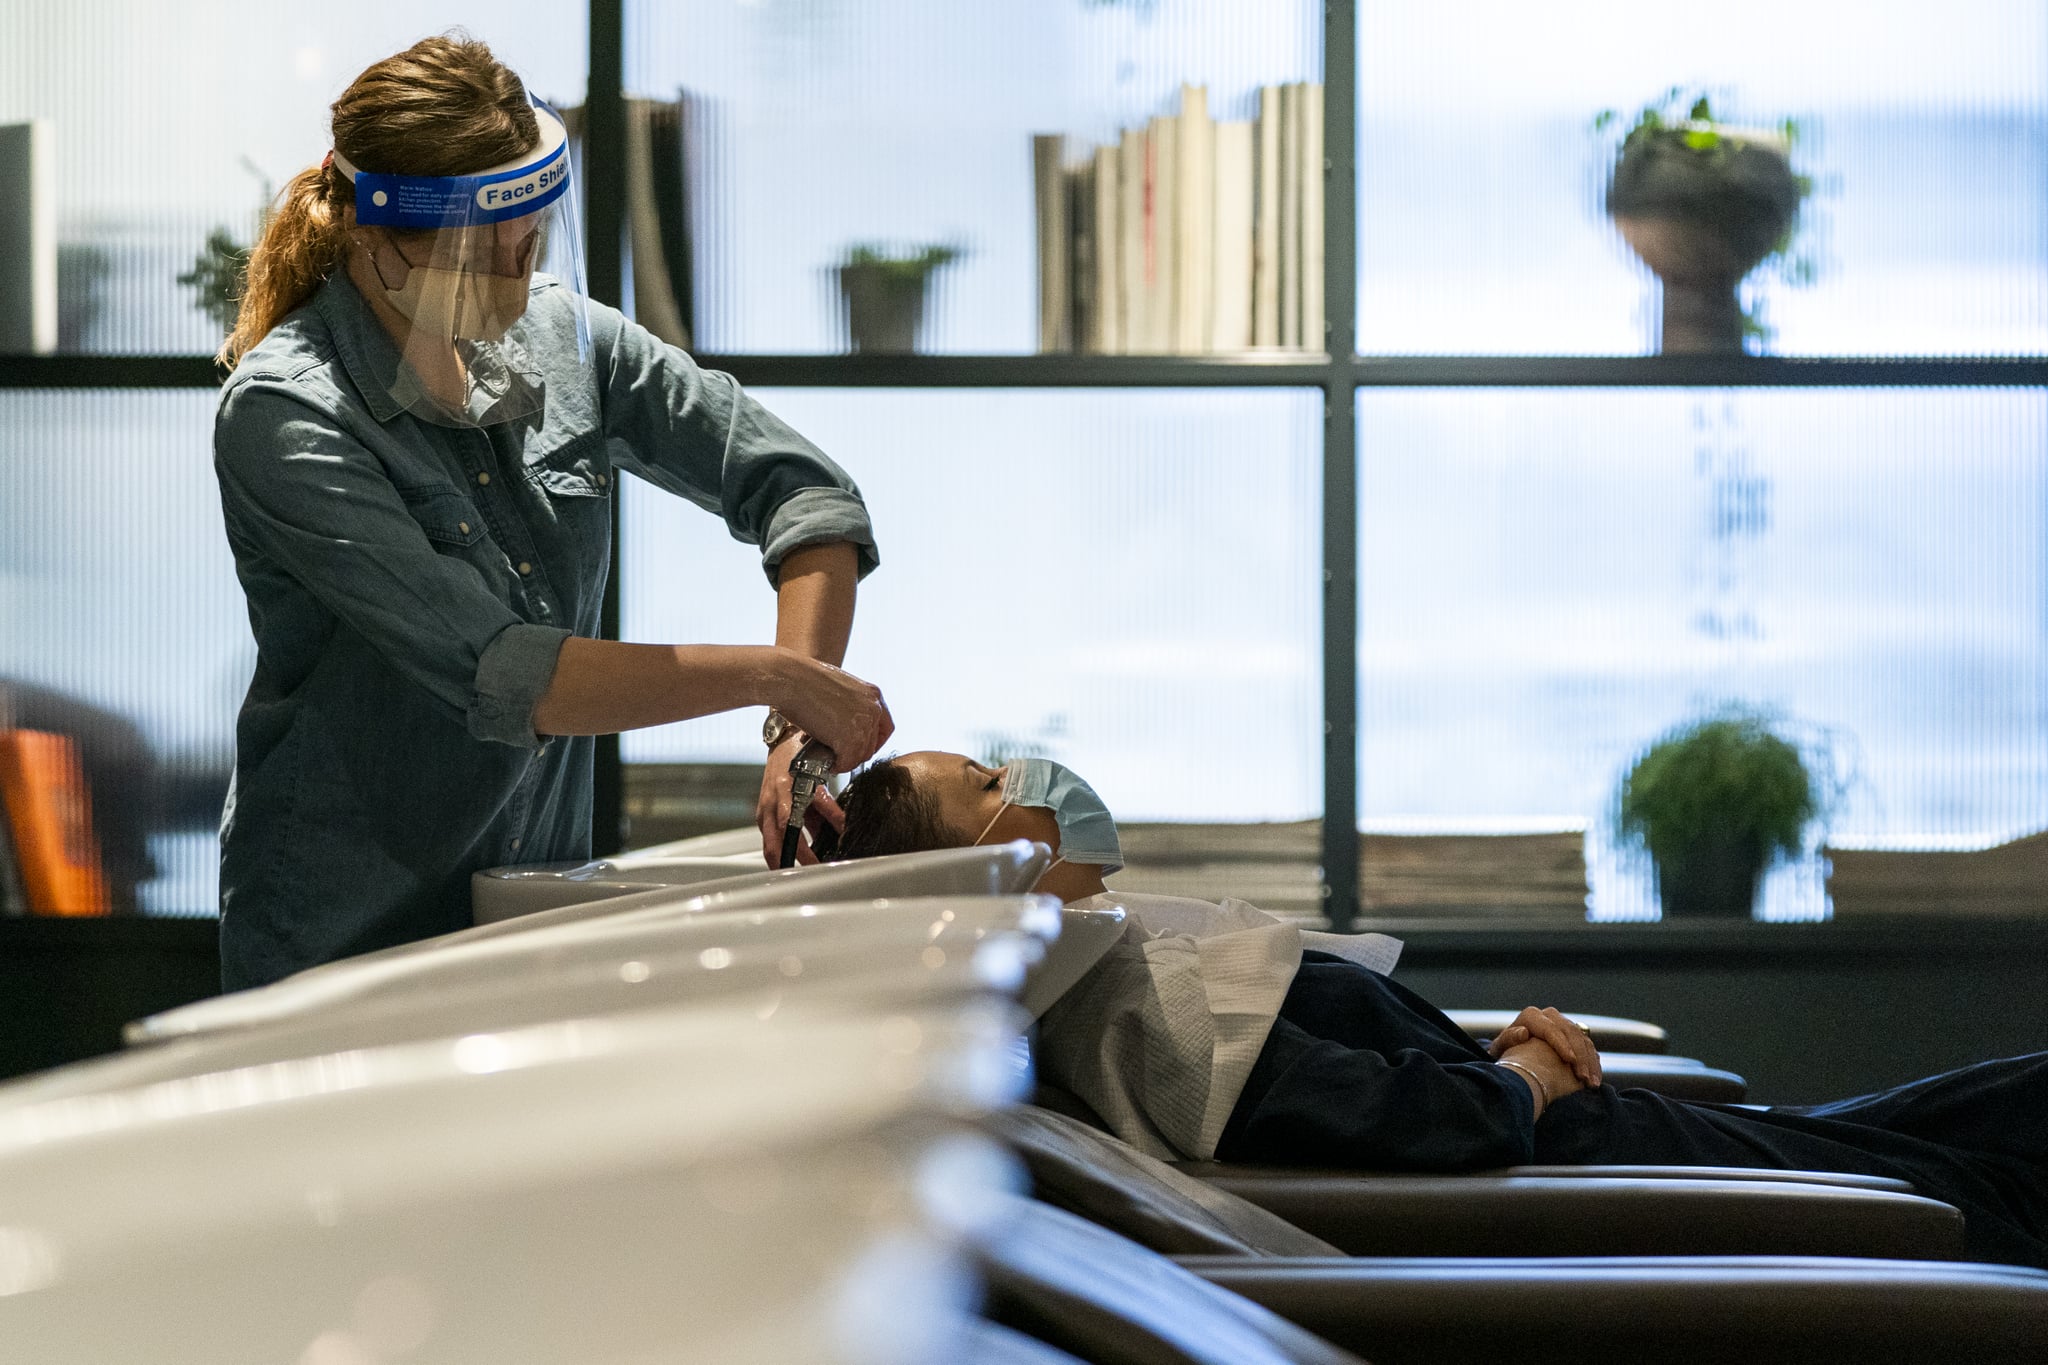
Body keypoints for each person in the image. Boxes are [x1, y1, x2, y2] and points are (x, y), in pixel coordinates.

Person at [211, 36, 891, 990]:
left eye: (531, 236)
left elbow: (804, 491)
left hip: (529, 921)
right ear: (372, 233)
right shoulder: (289, 413)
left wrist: (798, 717)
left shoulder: (569, 339)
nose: (516, 273)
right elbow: (508, 674)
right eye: (475, 252)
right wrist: (770, 674)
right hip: (347, 942)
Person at [816, 751, 2048, 1270]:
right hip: (1583, 1165)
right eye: (984, 782)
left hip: (1576, 1132)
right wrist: (1523, 1070)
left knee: (2001, 1101)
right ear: (973, 870)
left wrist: (1501, 1052)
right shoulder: (1125, 1019)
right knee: (1986, 1188)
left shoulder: (1107, 959)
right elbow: (1424, 1129)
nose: (1024, 776)